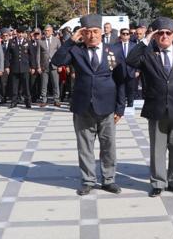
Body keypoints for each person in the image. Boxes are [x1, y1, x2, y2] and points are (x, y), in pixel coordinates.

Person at [51, 14, 126, 196]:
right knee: (85, 146)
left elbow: (121, 80)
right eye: (87, 32)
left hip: (107, 106)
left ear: (101, 32)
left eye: (95, 31)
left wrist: (120, 107)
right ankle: (88, 180)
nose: (92, 35)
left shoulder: (113, 50)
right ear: (82, 34)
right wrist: (70, 41)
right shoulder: (76, 51)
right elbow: (56, 61)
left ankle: (109, 180)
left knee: (108, 146)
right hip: (83, 105)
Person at [126, 17, 173, 197]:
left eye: (168, 33)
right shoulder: (148, 55)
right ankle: (158, 182)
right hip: (156, 108)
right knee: (157, 148)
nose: (164, 36)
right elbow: (130, 60)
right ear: (155, 36)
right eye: (160, 33)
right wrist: (146, 39)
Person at [6, 26, 36, 108]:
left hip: (25, 67)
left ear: (24, 34)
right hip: (14, 67)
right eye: (19, 33)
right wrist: (7, 66)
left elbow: (32, 56)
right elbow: (8, 55)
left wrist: (33, 67)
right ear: (17, 33)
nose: (20, 35)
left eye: (22, 33)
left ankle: (28, 102)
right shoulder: (12, 42)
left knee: (26, 86)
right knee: (14, 86)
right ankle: (14, 102)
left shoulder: (28, 42)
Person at [37, 25, 60, 107]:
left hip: (54, 65)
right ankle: (43, 100)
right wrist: (38, 66)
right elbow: (38, 55)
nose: (46, 32)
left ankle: (56, 100)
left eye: (48, 30)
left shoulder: (56, 40)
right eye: (45, 30)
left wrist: (60, 65)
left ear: (52, 31)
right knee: (44, 84)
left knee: (55, 83)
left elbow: (60, 53)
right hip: (44, 66)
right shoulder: (40, 41)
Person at [117, 28, 138, 107]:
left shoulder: (134, 45)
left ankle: (130, 105)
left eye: (127, 34)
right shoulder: (116, 46)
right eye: (123, 33)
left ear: (129, 35)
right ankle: (121, 107)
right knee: (121, 90)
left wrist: (138, 70)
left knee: (130, 90)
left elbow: (138, 59)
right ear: (121, 35)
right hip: (120, 71)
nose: (125, 35)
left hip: (131, 71)